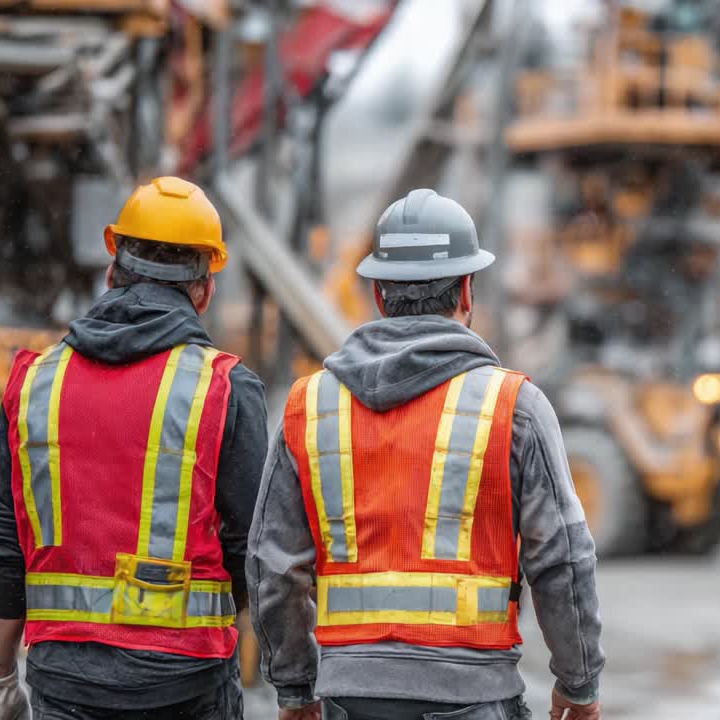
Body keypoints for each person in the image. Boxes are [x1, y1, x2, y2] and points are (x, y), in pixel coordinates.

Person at [248, 189, 604, 720]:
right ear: (466, 290)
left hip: (349, 696)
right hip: (472, 696)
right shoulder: (514, 406)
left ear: (377, 294)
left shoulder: (310, 405)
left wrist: (297, 691)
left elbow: (273, 565)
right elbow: (562, 559)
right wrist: (578, 685)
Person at [0, 176, 268, 719]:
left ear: (111, 272)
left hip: (64, 682)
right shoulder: (225, 389)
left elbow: (7, 543)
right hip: (187, 684)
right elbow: (252, 549)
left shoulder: (35, 383)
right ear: (203, 290)